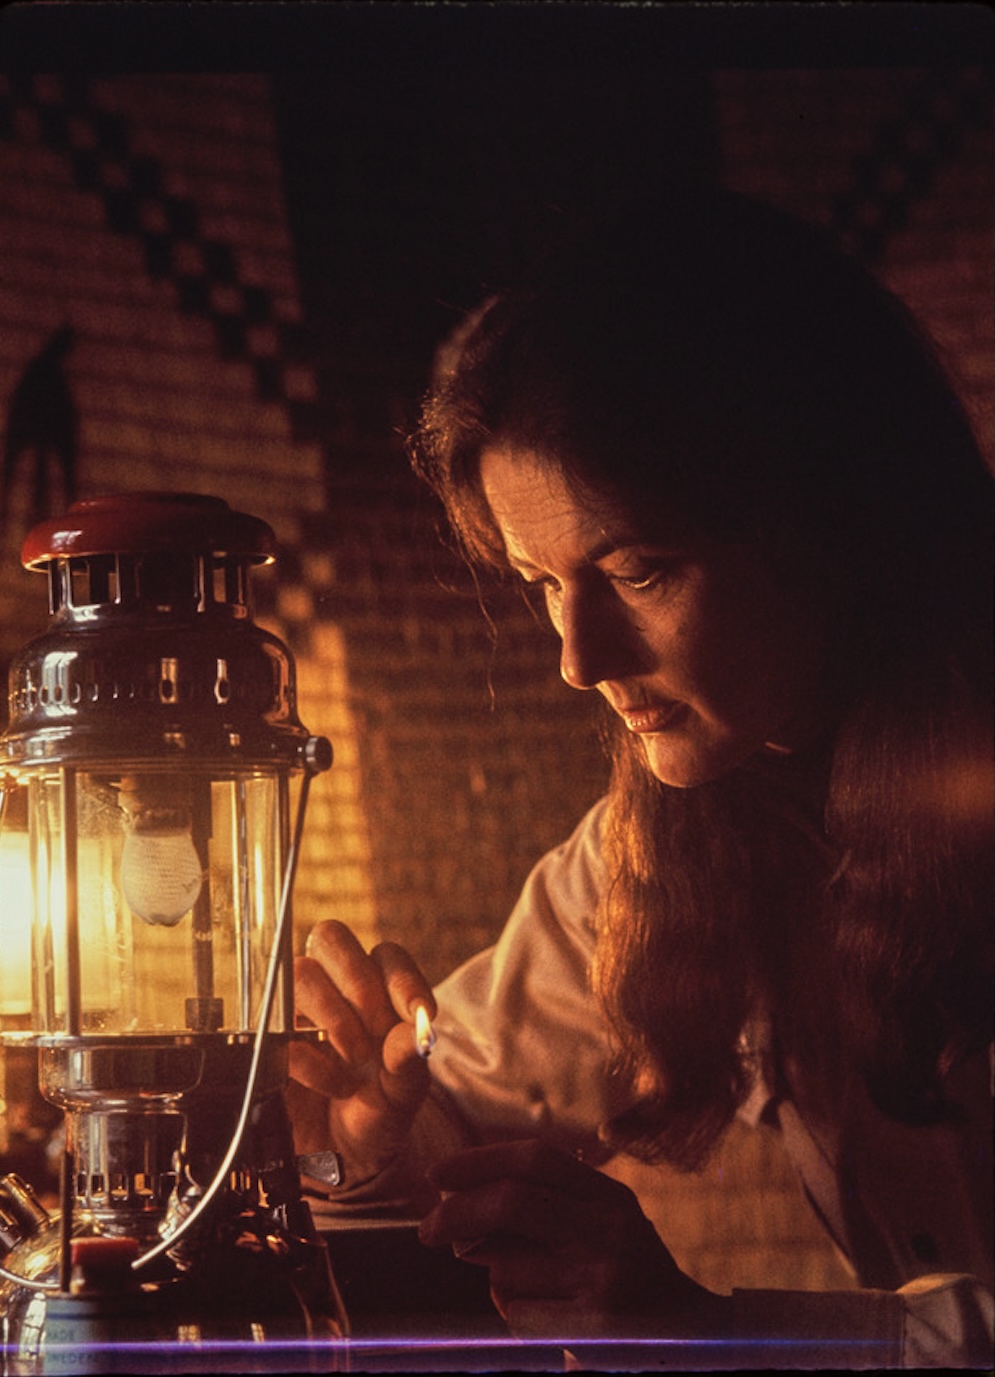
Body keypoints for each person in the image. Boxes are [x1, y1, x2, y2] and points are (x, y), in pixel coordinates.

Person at [286, 183, 993, 1368]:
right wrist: (355, 1143)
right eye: (542, 583)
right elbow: (444, 1123)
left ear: (833, 517)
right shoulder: (657, 850)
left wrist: (717, 1337)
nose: (577, 659)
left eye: (641, 569)